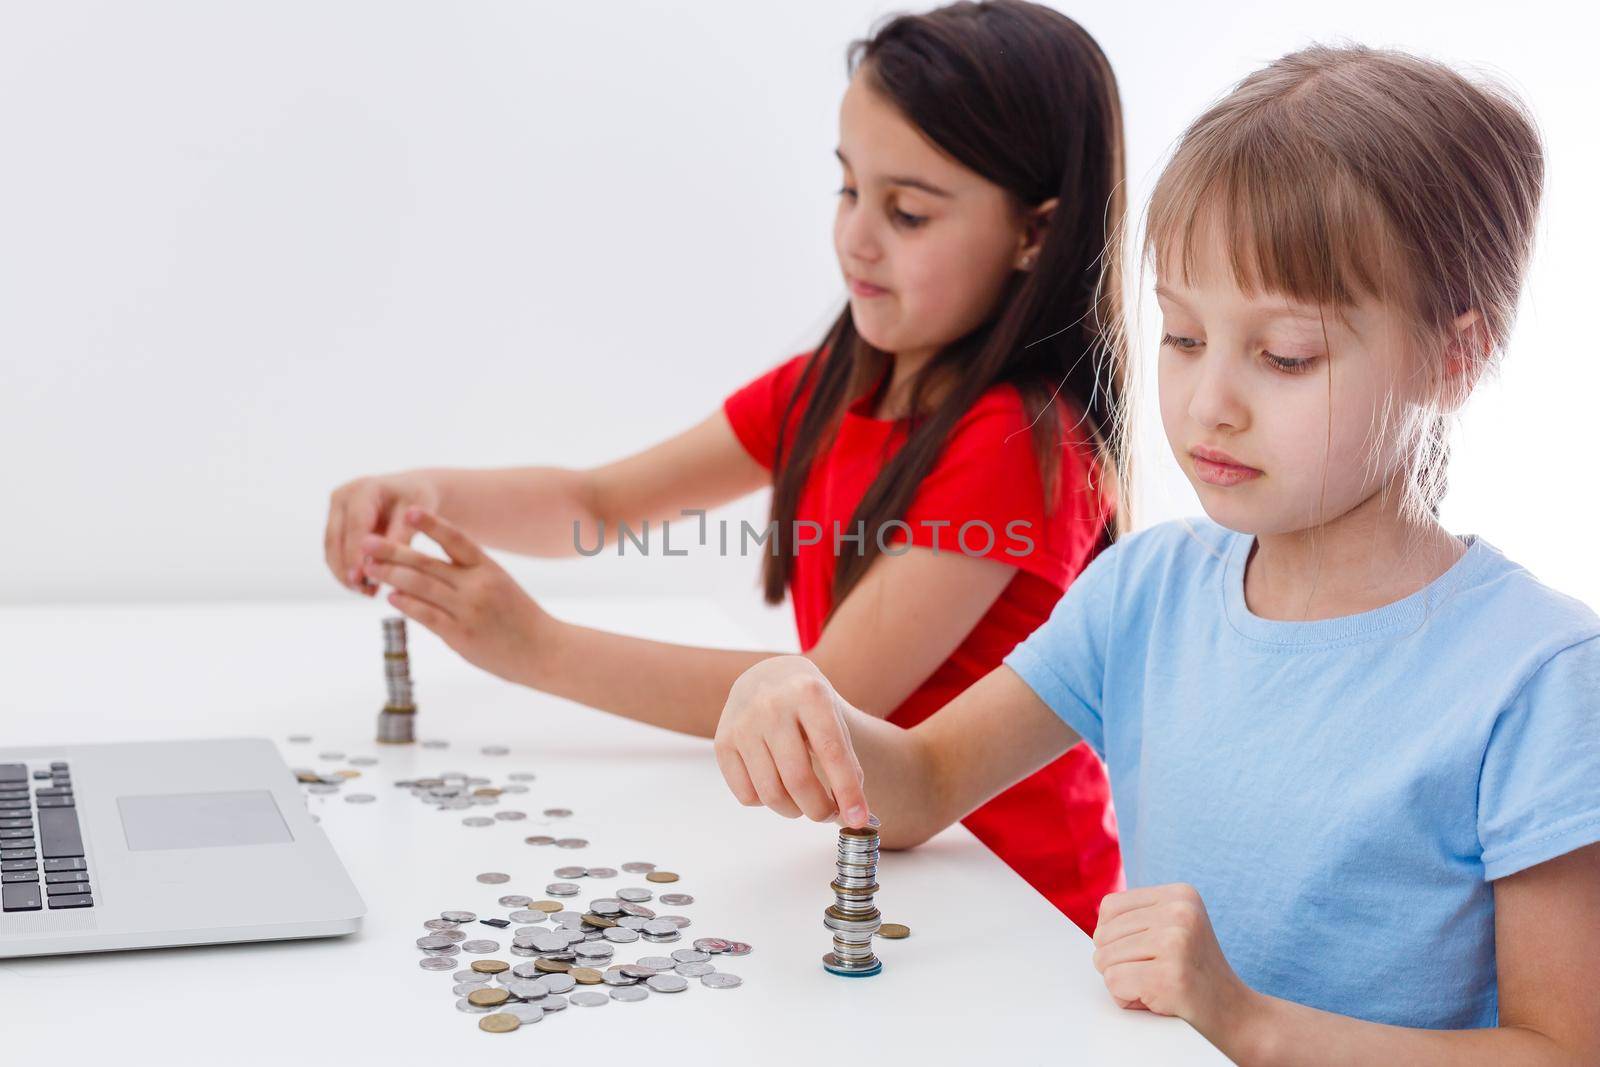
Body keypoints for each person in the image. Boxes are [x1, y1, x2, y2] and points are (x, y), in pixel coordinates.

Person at [713, 44, 1600, 1061]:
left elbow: (1562, 1048)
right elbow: (919, 785)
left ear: (1454, 356)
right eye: (1181, 336)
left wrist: (1253, 1023)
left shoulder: (1538, 676)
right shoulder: (1146, 591)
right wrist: (795, 700)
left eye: (1283, 356)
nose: (1207, 404)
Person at [324, 1, 1128, 933]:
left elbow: (827, 697)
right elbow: (598, 501)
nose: (856, 239)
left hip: (1013, 910)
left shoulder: (1016, 443)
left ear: (1036, 233)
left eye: (906, 212)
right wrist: (426, 491)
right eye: (847, 189)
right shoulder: (830, 386)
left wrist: (533, 647)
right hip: (880, 868)